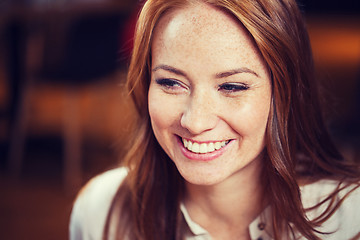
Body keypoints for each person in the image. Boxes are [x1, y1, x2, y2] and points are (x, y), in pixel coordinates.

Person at [69, 0, 360, 239]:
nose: (195, 122)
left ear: (284, 92)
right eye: (170, 82)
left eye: (232, 87)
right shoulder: (99, 212)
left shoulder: (351, 218)